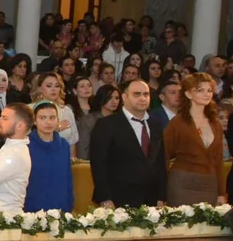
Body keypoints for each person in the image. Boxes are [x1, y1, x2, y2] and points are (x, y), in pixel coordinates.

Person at [89, 79, 167, 209]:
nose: (142, 98)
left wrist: (161, 196)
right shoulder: (106, 125)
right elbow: (98, 164)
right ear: (124, 97)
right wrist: (105, 198)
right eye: (137, 94)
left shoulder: (155, 124)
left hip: (151, 200)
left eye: (146, 94)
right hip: (118, 199)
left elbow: (160, 162)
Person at [163, 73, 226, 206]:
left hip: (209, 184)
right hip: (182, 183)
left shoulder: (215, 123)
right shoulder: (177, 122)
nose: (206, 94)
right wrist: (160, 192)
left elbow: (218, 160)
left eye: (209, 90)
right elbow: (164, 156)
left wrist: (221, 192)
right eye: (200, 90)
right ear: (188, 94)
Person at [25, 102, 74, 213]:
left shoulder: (64, 145)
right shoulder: (25, 145)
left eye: (52, 118)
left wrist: (69, 206)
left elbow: (68, 178)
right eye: (42, 118)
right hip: (31, 211)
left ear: (57, 120)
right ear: (34, 121)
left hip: (60, 209)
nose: (48, 122)